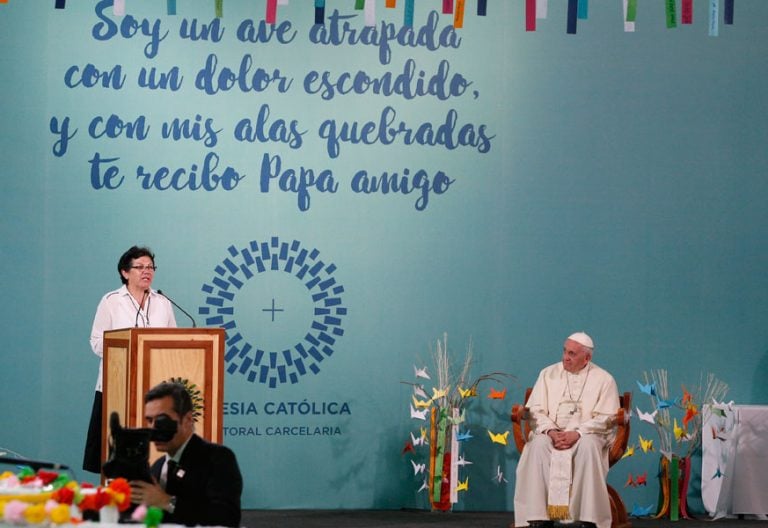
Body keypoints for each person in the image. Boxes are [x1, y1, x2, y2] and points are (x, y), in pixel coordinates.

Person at [82, 246, 177, 473]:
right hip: (117, 386)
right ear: (125, 272)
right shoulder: (111, 301)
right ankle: (114, 498)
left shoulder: (162, 302)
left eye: (150, 267)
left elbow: (173, 341)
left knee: (153, 453)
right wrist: (126, 350)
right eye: (140, 267)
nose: (147, 271)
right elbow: (96, 342)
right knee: (115, 452)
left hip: (156, 388)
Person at [513, 332, 619, 528]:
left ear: (587, 357)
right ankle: (537, 517)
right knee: (537, 446)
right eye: (564, 351)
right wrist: (551, 432)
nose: (565, 357)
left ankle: (589, 518)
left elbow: (607, 417)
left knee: (587, 446)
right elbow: (535, 410)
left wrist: (577, 433)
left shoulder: (604, 379)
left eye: (572, 353)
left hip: (587, 435)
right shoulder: (547, 374)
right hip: (551, 434)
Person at [129, 382, 243, 527]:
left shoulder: (218, 459)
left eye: (162, 420)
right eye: (150, 421)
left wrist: (167, 502)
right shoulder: (158, 467)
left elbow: (226, 517)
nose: (154, 429)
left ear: (188, 419)